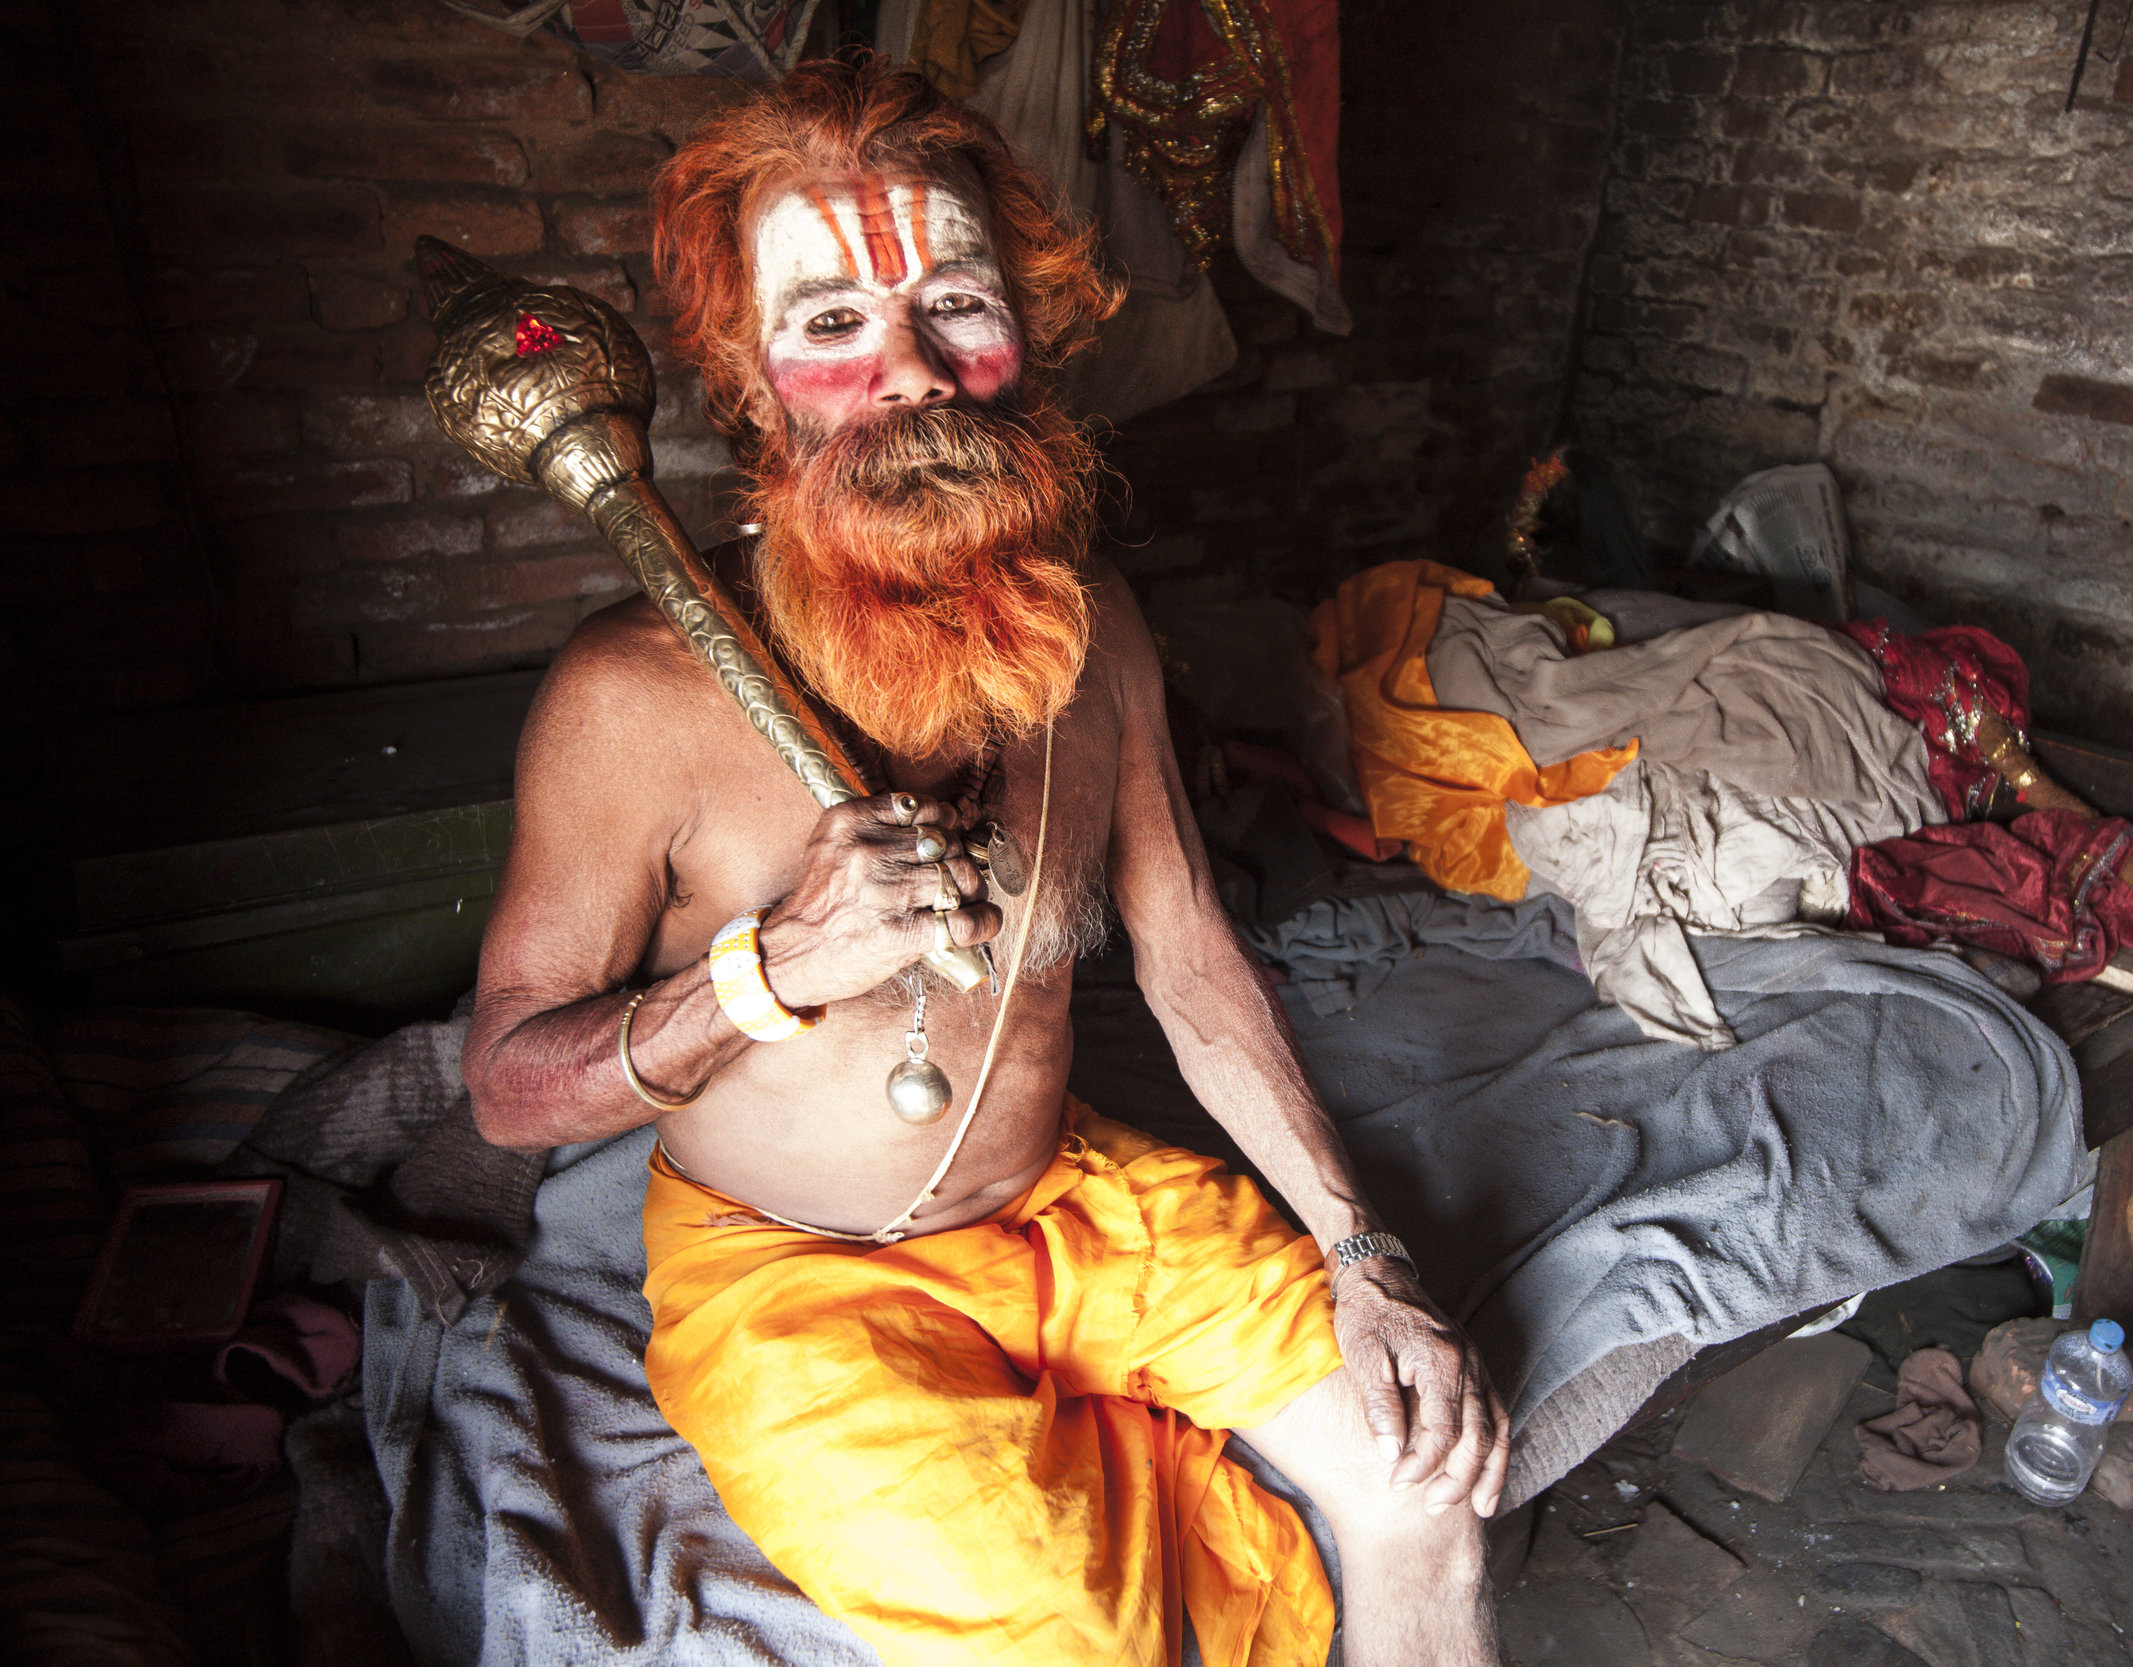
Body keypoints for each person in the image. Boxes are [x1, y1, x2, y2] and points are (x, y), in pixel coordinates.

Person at [460, 54, 1505, 1667]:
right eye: (829, 326)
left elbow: (1193, 964)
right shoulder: (633, 695)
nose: (914, 373)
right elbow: (508, 1095)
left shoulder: (1096, 637)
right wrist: (772, 970)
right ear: (747, 378)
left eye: (956, 303)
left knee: (1426, 1466)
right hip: (802, 1288)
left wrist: (1365, 1260)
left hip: (1073, 1208)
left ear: (1031, 332)